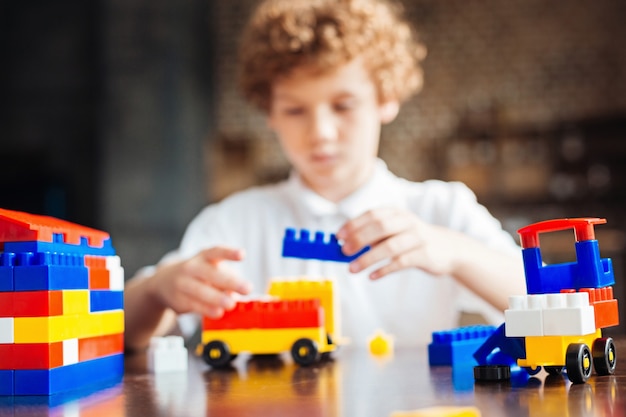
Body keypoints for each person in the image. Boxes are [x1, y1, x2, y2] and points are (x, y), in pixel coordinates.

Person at [124, 0, 527, 351]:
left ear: (386, 99)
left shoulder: (441, 209)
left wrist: (456, 251)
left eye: (344, 105)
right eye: (295, 110)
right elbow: (123, 333)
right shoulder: (234, 222)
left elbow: (549, 306)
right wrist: (158, 290)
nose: (321, 132)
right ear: (269, 114)